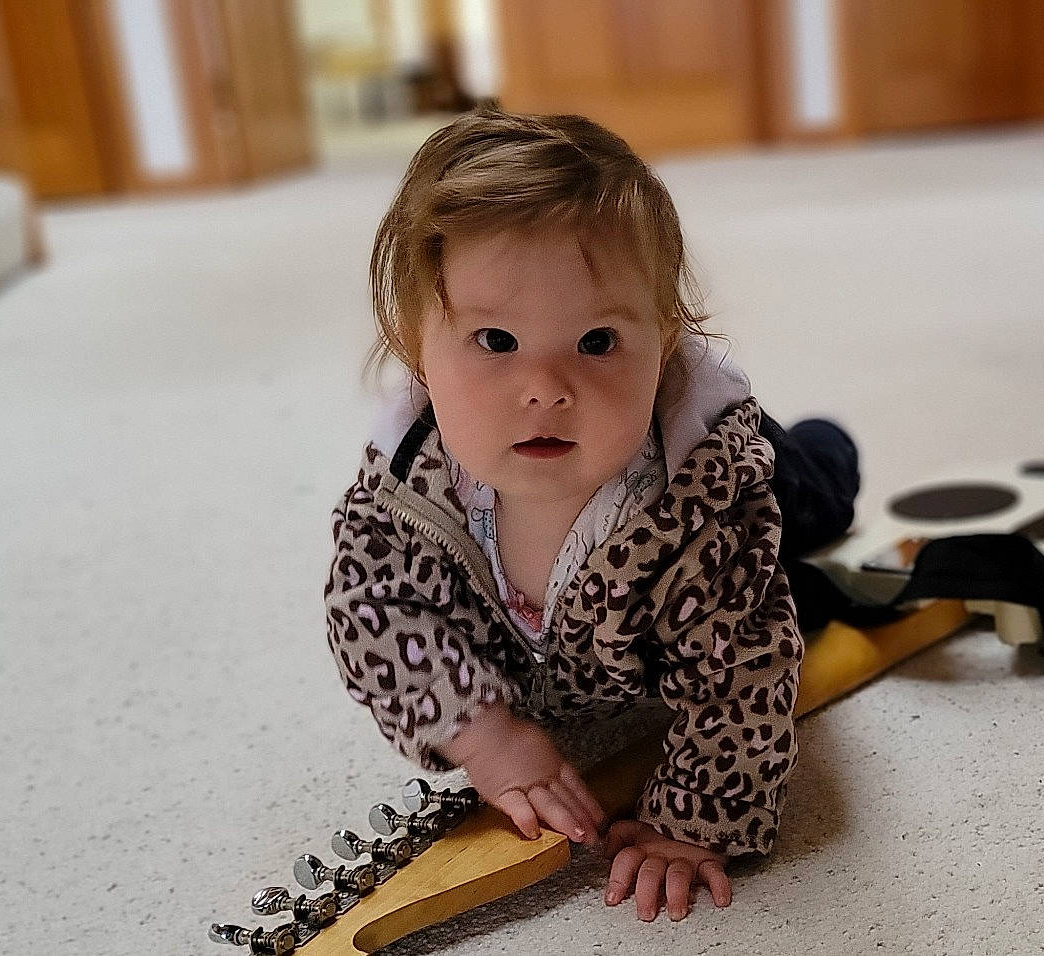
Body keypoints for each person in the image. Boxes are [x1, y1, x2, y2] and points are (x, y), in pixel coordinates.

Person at [324, 108, 859, 924]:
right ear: (413, 345)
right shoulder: (408, 484)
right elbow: (369, 610)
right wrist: (483, 733)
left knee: (811, 508)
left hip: (765, 480)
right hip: (591, 639)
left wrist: (690, 824)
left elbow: (744, 674)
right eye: (496, 341)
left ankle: (832, 446)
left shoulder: (704, 503)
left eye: (598, 341)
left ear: (665, 339)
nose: (546, 388)